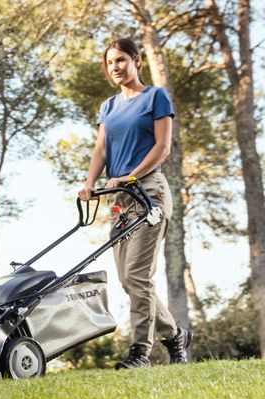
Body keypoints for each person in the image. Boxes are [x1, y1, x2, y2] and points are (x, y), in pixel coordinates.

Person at [78, 38, 192, 369]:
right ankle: (175, 336)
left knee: (139, 277)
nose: (115, 67)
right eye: (110, 62)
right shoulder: (109, 107)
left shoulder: (155, 97)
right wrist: (89, 183)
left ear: (136, 60)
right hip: (119, 199)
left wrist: (131, 175)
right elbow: (101, 150)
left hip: (149, 193)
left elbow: (163, 147)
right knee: (130, 281)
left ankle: (139, 352)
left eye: (121, 60)